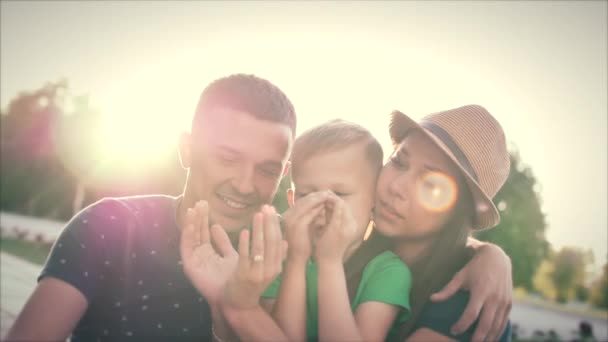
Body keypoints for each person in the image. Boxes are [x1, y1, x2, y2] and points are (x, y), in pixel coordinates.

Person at [7, 73, 510, 341]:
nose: (245, 185)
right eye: (400, 163)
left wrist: (489, 256)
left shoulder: (461, 299)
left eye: (267, 168)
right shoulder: (112, 225)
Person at [219, 104, 513, 342]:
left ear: (457, 212)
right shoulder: (347, 245)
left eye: (430, 184)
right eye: (399, 162)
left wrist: (241, 311)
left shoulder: (464, 304)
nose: (397, 186)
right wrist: (492, 254)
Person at [261, 120, 413, 341]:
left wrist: (329, 262)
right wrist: (295, 259)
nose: (322, 207)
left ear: (374, 200)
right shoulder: (276, 260)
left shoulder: (388, 272)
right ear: (292, 201)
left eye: (339, 195)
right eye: (307, 195)